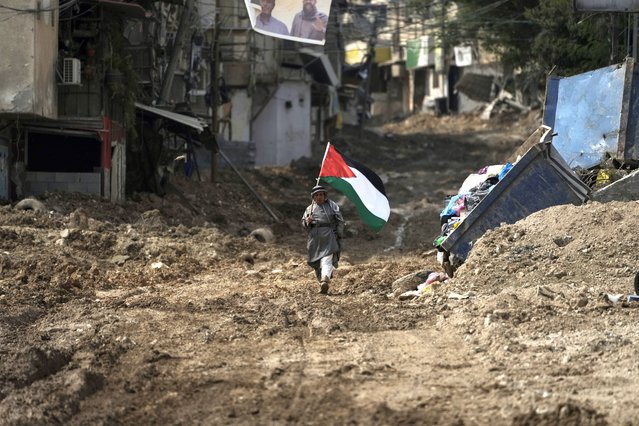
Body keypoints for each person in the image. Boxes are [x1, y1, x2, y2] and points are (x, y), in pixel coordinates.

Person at [302, 185, 344, 294]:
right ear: (313, 197)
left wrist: (339, 233)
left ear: (324, 195)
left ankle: (325, 278)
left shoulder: (332, 206)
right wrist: (308, 221)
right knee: (315, 261)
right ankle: (321, 282)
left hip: (328, 235)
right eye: (317, 195)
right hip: (314, 238)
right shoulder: (309, 209)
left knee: (327, 258)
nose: (319, 197)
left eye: (321, 194)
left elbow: (340, 220)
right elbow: (304, 224)